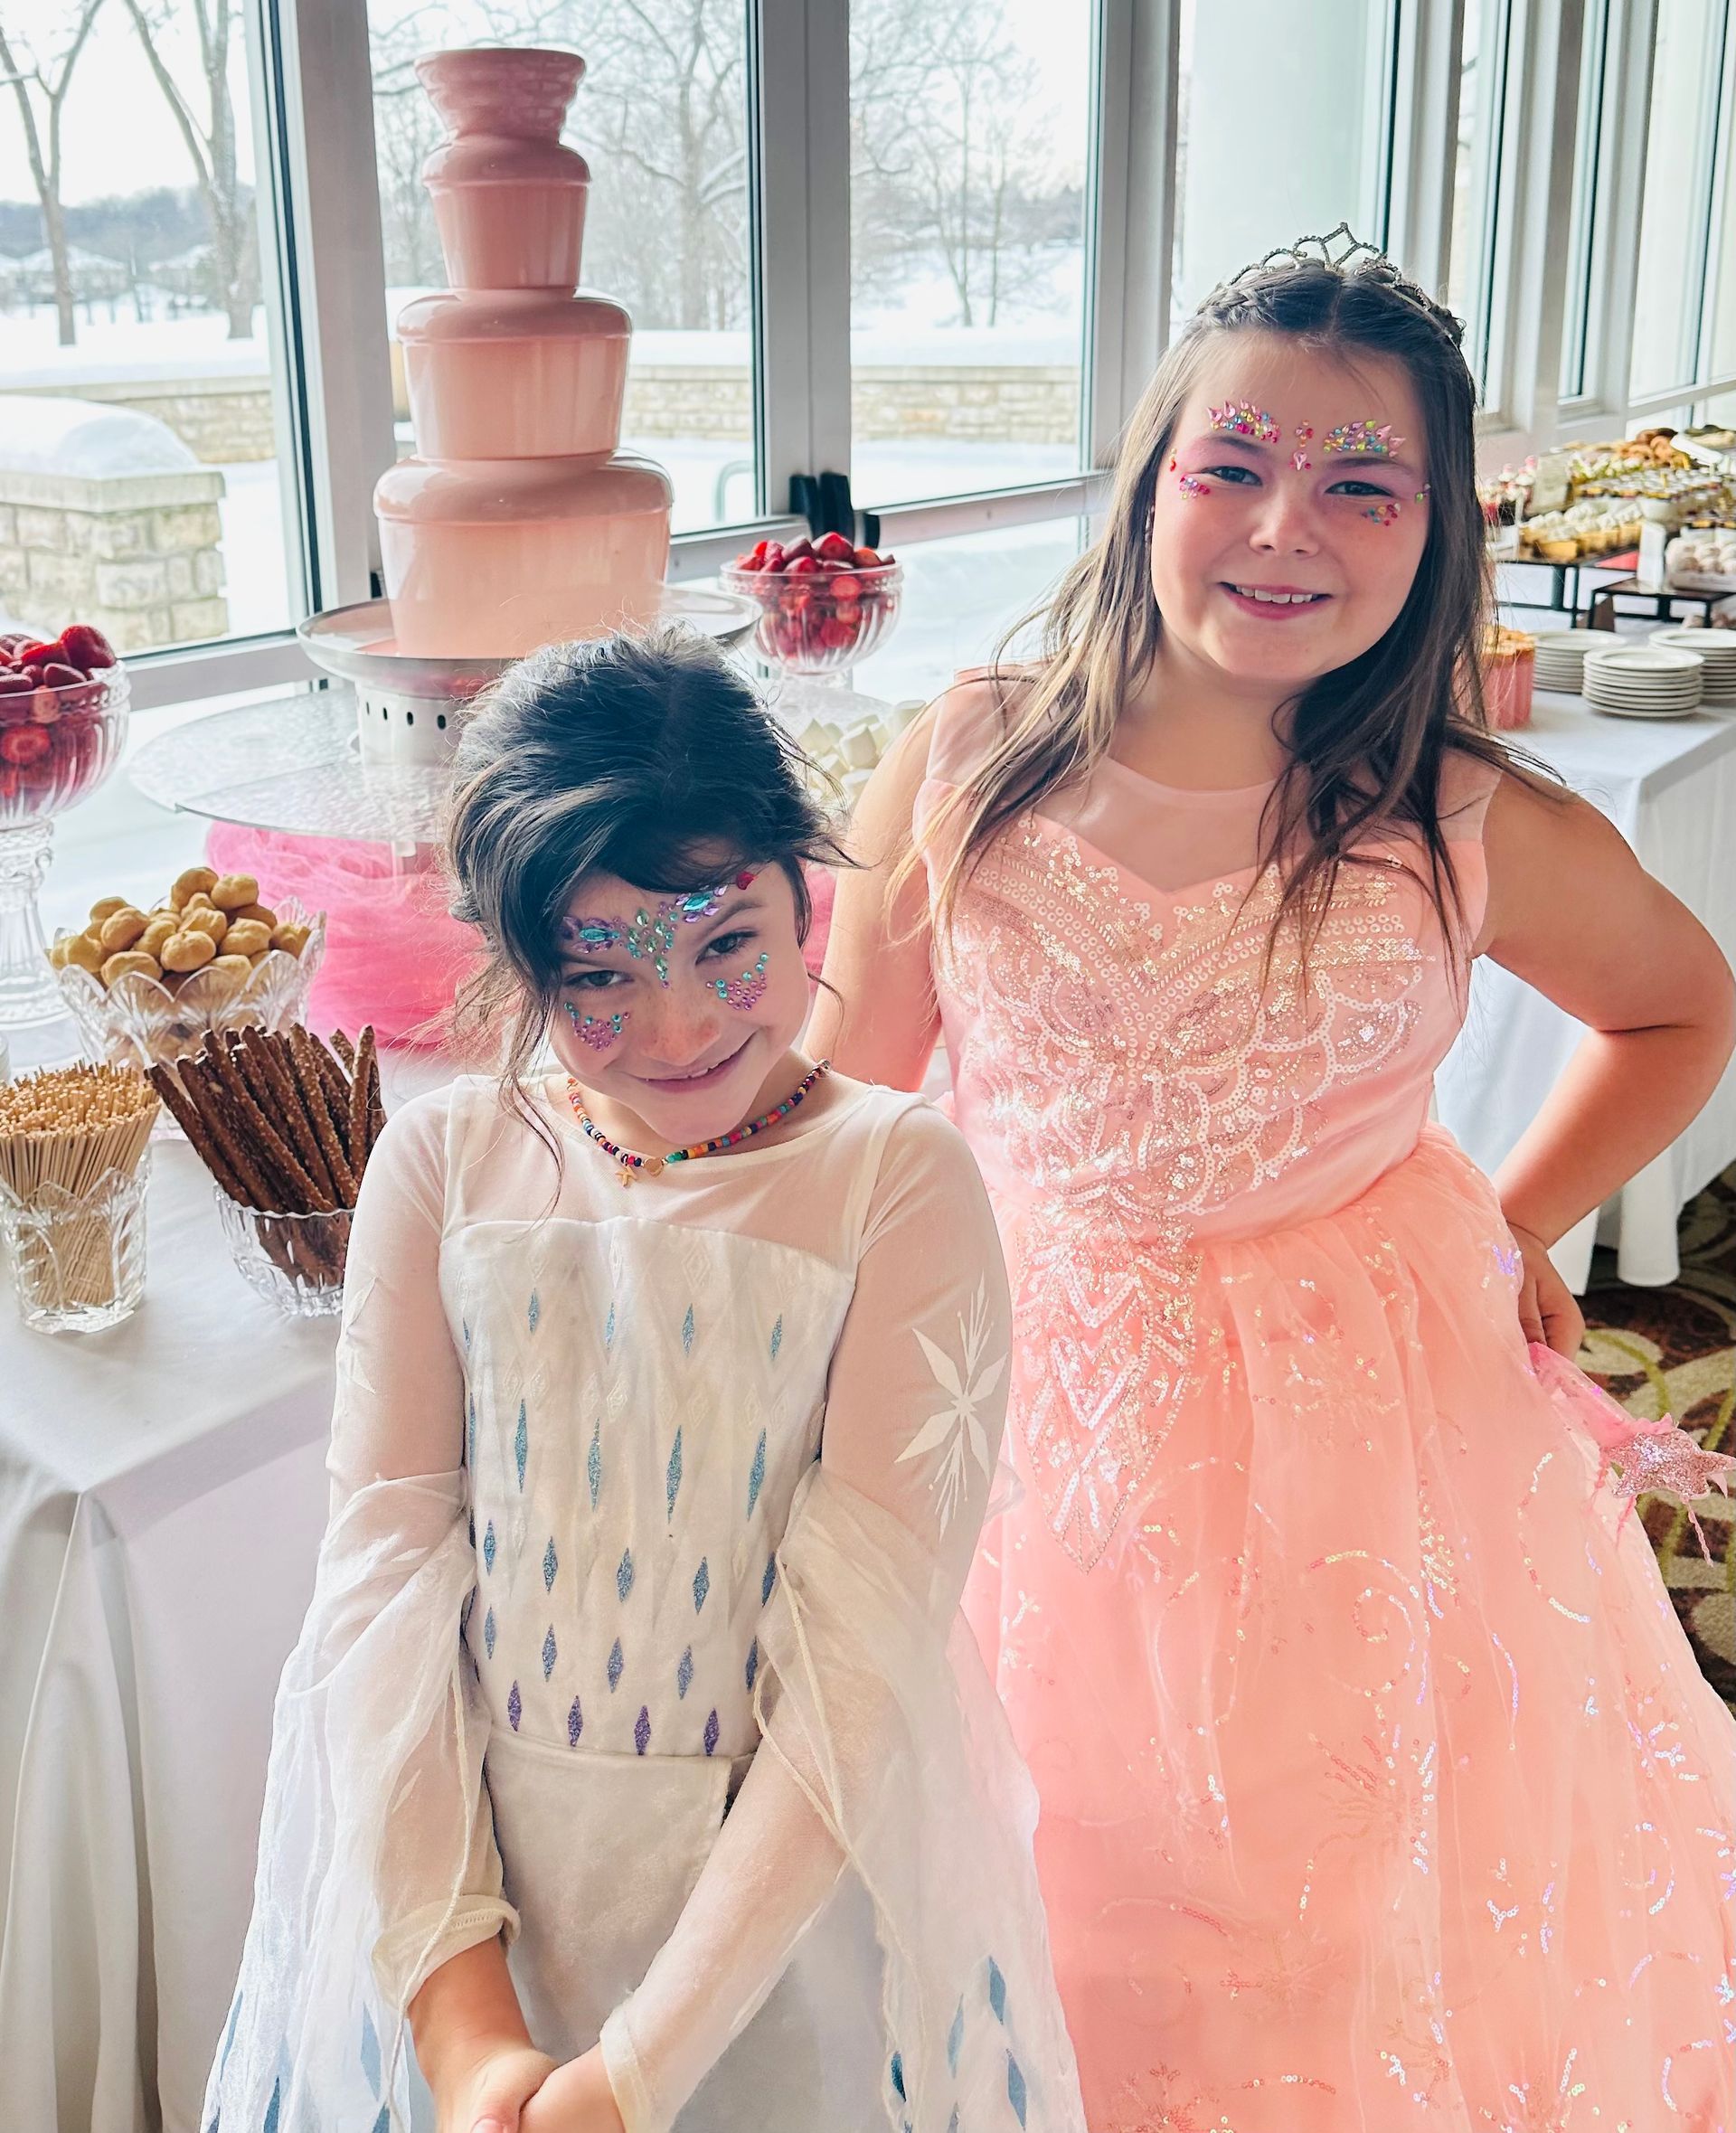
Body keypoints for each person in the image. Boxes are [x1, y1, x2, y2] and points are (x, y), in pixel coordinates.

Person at [814, 233, 1736, 2129]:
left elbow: (1677, 1010)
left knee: (1339, 1867)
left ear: (1436, 526)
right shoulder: (968, 759)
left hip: (1368, 1402)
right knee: (1055, 1851)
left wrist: (1510, 1212)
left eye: (1360, 483)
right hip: (1033, 1385)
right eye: (1230, 465)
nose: (1281, 527)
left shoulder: (1458, 816)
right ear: (1151, 475)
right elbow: (847, 1101)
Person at [203, 629, 1083, 2133]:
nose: (677, 1029)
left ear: (807, 899)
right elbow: (384, 1587)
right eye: (598, 973)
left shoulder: (895, 1182)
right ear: (512, 957)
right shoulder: (443, 1158)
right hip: (480, 1905)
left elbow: (855, 1666)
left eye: (728, 944)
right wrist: (467, 2027)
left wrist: (637, 2073)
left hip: (785, 1923)